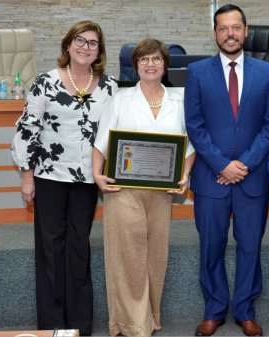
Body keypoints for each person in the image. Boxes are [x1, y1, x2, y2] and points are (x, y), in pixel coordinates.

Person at [11, 20, 118, 336]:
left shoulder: (109, 87)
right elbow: (28, 129)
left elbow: (114, 133)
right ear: (68, 45)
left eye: (93, 43)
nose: (86, 47)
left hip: (88, 180)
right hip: (49, 177)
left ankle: (80, 325)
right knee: (51, 248)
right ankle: (52, 325)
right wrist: (26, 176)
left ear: (100, 50)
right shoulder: (46, 82)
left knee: (78, 247)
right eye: (80, 41)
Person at [184, 4, 269, 336]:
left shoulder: (266, 72)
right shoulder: (196, 72)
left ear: (246, 30)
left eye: (235, 27)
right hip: (211, 178)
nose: (230, 33)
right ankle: (214, 309)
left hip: (251, 179)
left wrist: (245, 164)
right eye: (223, 28)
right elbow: (195, 127)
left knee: (250, 246)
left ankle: (244, 310)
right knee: (211, 245)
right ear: (215, 33)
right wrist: (222, 164)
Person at [92, 37, 196, 337]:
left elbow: (190, 144)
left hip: (162, 194)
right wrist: (97, 174)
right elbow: (102, 142)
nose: (150, 64)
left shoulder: (180, 99)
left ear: (165, 65)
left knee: (155, 256)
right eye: (144, 59)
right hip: (123, 190)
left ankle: (151, 315)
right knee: (127, 256)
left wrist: (185, 174)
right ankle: (132, 324)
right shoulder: (121, 98)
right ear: (135, 65)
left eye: (156, 59)